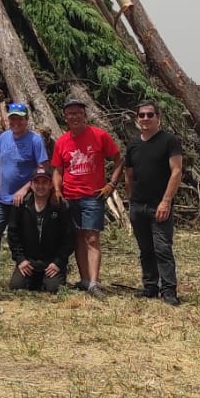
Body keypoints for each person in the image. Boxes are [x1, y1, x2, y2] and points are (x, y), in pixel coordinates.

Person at [51, 96, 122, 299]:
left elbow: (118, 159)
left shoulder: (99, 136)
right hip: (70, 196)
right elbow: (57, 169)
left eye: (78, 113)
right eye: (70, 114)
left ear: (85, 115)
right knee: (78, 237)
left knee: (92, 237)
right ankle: (84, 280)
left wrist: (111, 183)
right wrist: (57, 189)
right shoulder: (62, 141)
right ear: (65, 117)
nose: (75, 117)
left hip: (93, 196)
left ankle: (94, 281)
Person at [0, 103, 49, 289]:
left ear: (26, 120)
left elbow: (43, 168)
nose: (16, 122)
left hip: (24, 199)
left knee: (23, 236)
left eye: (20, 118)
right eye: (12, 118)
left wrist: (26, 188)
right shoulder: (3, 138)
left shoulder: (35, 140)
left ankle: (27, 273)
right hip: (2, 198)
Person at [124, 100, 183, 305]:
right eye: (142, 115)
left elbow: (176, 171)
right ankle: (150, 286)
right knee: (145, 249)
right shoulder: (133, 144)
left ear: (158, 117)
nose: (146, 119)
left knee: (162, 248)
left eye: (150, 115)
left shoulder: (169, 141)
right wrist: (131, 199)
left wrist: (166, 201)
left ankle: (169, 290)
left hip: (159, 205)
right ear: (137, 119)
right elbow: (129, 174)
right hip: (138, 206)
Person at [6, 161, 75, 294]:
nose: (40, 186)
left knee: (53, 289)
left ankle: (51, 278)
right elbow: (13, 234)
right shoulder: (21, 205)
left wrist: (58, 262)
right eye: (37, 182)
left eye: (44, 182)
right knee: (16, 286)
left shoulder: (61, 206)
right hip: (29, 262)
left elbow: (69, 238)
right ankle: (34, 279)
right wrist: (21, 260)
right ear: (31, 185)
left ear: (50, 185)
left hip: (51, 262)